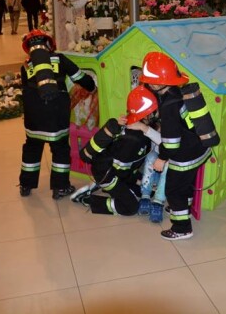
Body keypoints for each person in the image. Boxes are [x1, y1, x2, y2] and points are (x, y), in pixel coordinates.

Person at [140, 52, 211, 240]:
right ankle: (183, 208)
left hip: (185, 154)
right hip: (199, 147)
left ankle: (182, 228)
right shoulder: (176, 93)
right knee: (184, 184)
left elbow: (171, 142)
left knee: (173, 189)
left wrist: (161, 159)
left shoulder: (168, 106)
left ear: (155, 83)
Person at [18, 30, 96, 199]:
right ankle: (60, 187)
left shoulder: (26, 66)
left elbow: (25, 89)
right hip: (56, 112)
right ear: (49, 44)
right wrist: (92, 87)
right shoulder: (60, 59)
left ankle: (26, 185)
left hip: (33, 115)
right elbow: (80, 77)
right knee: (60, 148)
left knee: (32, 147)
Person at [70, 86, 155, 215]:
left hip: (112, 167)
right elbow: (121, 170)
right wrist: (136, 180)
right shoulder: (135, 140)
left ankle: (101, 186)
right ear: (145, 114)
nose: (156, 113)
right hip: (108, 174)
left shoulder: (131, 126)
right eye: (153, 110)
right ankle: (89, 199)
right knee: (131, 207)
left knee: (146, 190)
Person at [125, 114, 167, 223]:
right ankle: (145, 196)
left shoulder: (173, 124)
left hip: (168, 174)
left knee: (168, 163)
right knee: (151, 156)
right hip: (153, 175)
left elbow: (166, 144)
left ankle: (158, 202)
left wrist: (144, 128)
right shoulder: (155, 122)